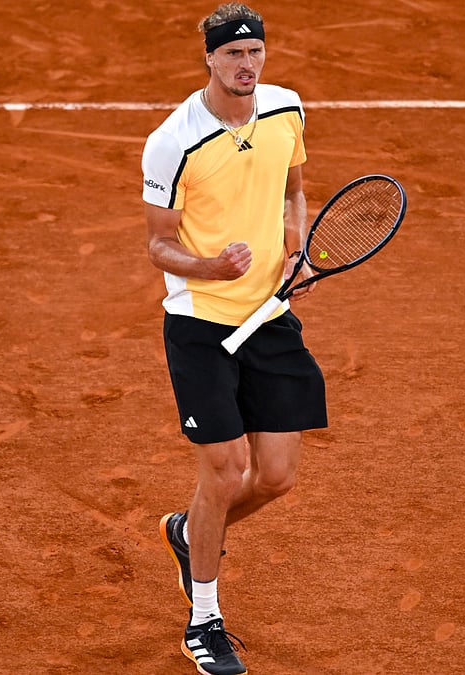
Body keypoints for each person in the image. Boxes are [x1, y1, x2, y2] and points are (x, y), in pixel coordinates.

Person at [141, 4, 328, 674]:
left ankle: (189, 535)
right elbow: (159, 244)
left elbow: (293, 191)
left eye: (255, 53)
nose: (247, 66)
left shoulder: (286, 110)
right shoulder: (174, 141)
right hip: (200, 323)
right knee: (226, 470)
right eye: (233, 55)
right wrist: (209, 267)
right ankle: (205, 621)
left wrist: (297, 252)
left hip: (269, 316)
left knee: (274, 477)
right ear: (210, 61)